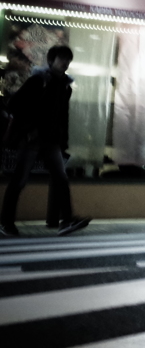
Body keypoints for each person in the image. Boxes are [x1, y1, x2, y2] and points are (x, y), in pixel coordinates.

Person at [1, 45, 90, 237]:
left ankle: (66, 220)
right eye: (62, 59)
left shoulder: (65, 86)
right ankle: (6, 222)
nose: (65, 63)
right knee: (19, 180)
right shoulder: (38, 80)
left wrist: (63, 140)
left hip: (51, 140)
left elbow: (62, 116)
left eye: (68, 59)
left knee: (61, 178)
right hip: (32, 139)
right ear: (51, 61)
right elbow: (13, 104)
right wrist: (30, 128)